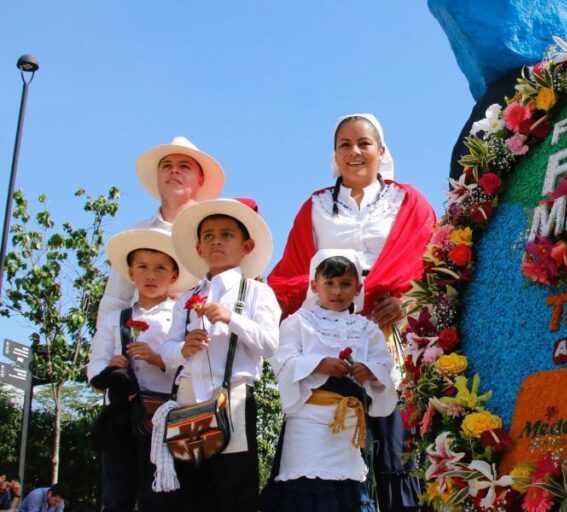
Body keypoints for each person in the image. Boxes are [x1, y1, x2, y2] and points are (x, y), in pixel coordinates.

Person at [268, 113, 435, 511]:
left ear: (381, 150)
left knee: (397, 448)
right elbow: (292, 274)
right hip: (327, 337)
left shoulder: (408, 201)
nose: (354, 151)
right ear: (334, 154)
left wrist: (406, 302)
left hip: (392, 336)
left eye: (363, 143)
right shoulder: (316, 206)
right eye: (345, 144)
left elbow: (435, 263)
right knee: (325, 455)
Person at [158, 198, 281, 511]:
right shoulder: (187, 297)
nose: (216, 241)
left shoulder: (257, 292)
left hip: (235, 399)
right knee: (188, 493)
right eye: (208, 236)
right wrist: (184, 348)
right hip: (188, 400)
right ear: (199, 248)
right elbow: (167, 353)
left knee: (234, 490)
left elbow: (270, 344)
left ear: (246, 246)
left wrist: (231, 318)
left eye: (227, 234)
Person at [262, 249, 397, 511]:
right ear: (315, 286)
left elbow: (386, 366)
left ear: (358, 289)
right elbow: (283, 361)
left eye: (345, 284)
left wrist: (369, 371)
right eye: (329, 283)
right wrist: (320, 364)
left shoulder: (367, 328)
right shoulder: (297, 322)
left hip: (348, 427)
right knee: (306, 491)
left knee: (348, 492)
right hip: (307, 424)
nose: (337, 291)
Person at [87, 229, 198, 512]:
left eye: (160, 268)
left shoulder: (180, 317)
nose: (151, 275)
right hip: (122, 415)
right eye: (143, 267)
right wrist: (110, 368)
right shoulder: (116, 319)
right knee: (116, 496)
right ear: (131, 273)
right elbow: (95, 364)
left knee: (160, 497)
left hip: (162, 417)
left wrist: (158, 359)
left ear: (174, 276)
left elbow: (190, 365)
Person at [97, 136, 225, 322]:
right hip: (138, 344)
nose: (174, 171)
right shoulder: (135, 234)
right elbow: (114, 301)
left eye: (184, 166)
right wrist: (104, 350)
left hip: (196, 345)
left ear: (201, 179)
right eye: (166, 166)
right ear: (158, 176)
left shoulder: (215, 238)